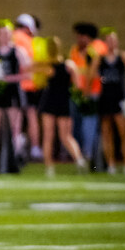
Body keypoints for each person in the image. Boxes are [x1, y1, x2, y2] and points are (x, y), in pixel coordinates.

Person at [89, 29, 125, 175]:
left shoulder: (124, 57)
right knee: (107, 133)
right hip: (105, 99)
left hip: (120, 99)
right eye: (108, 40)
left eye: (113, 40)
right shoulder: (99, 59)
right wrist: (89, 93)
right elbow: (91, 76)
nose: (111, 43)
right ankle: (110, 165)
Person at [38, 36, 86, 176]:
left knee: (48, 136)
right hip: (64, 101)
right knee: (66, 136)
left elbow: (38, 82)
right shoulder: (69, 65)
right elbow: (78, 85)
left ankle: (49, 167)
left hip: (49, 101)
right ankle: (79, 160)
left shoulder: (47, 66)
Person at [0, 19, 31, 164]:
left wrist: (9, 78)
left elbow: (28, 74)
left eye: (6, 33)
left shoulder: (18, 51)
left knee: (14, 127)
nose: (4, 36)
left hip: (13, 92)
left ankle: (15, 157)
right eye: (1, 33)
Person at [69, 22, 107, 163]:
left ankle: (89, 153)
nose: (78, 39)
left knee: (89, 124)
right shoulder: (75, 50)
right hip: (77, 92)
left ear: (87, 36)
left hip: (92, 92)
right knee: (76, 124)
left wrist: (87, 91)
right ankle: (77, 153)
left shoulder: (97, 48)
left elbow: (93, 71)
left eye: (80, 36)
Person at [13, 13, 46, 161]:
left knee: (18, 118)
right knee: (31, 117)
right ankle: (34, 147)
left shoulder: (15, 37)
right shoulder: (28, 40)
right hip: (28, 83)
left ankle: (18, 146)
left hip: (19, 82)